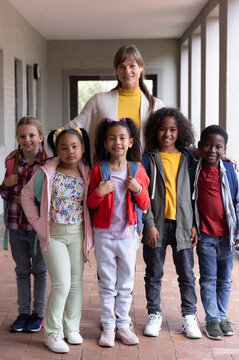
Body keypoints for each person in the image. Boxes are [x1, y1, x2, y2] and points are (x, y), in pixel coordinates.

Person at [21, 128, 93, 354]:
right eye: (64, 147)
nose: (70, 151)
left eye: (75, 146)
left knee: (76, 282)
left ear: (82, 148)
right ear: (57, 150)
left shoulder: (87, 173)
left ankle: (71, 327)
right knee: (61, 284)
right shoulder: (47, 172)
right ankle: (52, 331)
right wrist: (38, 222)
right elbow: (26, 195)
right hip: (54, 235)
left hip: (78, 233)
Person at [87, 118, 150, 347]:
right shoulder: (98, 170)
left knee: (125, 283)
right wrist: (100, 192)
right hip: (104, 236)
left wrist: (138, 189)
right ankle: (108, 326)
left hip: (128, 236)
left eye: (122, 138)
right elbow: (90, 204)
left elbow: (144, 205)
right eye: (112, 138)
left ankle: (123, 325)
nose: (117, 142)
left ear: (131, 142)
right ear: (105, 142)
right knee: (107, 283)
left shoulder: (137, 170)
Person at [141, 107, 202, 339]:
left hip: (183, 226)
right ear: (155, 131)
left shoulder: (188, 158)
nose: (167, 133)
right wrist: (148, 224)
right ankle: (154, 314)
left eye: (173, 129)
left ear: (180, 132)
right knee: (154, 273)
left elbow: (194, 194)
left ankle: (189, 317)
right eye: (163, 129)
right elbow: (142, 194)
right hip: (156, 225)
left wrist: (194, 224)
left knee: (186, 274)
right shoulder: (148, 158)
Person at [192, 125, 239, 340]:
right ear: (200, 146)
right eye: (207, 145)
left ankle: (222, 316)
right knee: (208, 280)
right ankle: (212, 320)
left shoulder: (232, 172)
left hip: (227, 238)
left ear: (224, 149)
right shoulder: (194, 167)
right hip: (206, 236)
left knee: (225, 280)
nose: (212, 151)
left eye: (218, 147)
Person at [65, 45, 165, 156]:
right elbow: (74, 127)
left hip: (144, 171)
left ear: (141, 67)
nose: (127, 71)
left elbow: (167, 140)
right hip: (107, 169)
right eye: (121, 67)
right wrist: (46, 142)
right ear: (116, 70)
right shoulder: (99, 101)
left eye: (132, 66)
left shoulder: (156, 106)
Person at [0, 116, 49, 333]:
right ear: (17, 138)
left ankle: (37, 313)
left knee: (39, 269)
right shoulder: (12, 162)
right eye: (22, 136)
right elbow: (4, 194)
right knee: (21, 270)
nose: (27, 140)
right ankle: (22, 313)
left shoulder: (48, 162)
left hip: (38, 227)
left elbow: (51, 196)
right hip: (16, 224)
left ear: (40, 137)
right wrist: (6, 185)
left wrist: (33, 200)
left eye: (31, 135)